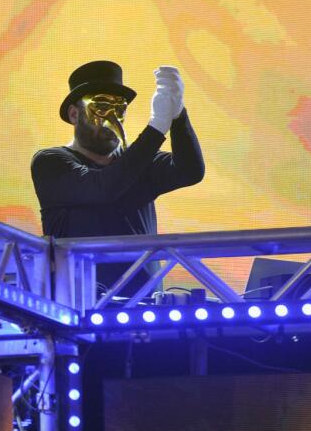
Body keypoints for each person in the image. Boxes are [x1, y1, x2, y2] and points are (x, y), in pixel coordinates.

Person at [31, 60, 205, 297]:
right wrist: (156, 126)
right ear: (74, 114)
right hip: (80, 305)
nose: (113, 116)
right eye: (101, 106)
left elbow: (190, 170)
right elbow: (103, 188)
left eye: (120, 108)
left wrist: (178, 115)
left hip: (144, 306)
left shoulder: (139, 162)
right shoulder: (51, 161)